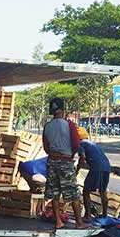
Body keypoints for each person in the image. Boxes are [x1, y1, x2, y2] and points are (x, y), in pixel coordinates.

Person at [42, 98, 85, 229]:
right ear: (63, 110)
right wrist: (70, 154)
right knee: (73, 193)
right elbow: (77, 144)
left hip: (52, 161)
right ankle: (79, 223)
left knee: (55, 193)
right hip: (66, 161)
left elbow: (46, 147)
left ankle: (58, 222)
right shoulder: (69, 124)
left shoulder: (47, 126)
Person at [76, 127, 112, 220]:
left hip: (97, 167)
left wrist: (77, 170)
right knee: (102, 191)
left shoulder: (80, 144)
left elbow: (82, 157)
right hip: (107, 166)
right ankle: (104, 215)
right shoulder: (93, 144)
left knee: (86, 191)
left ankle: (87, 215)